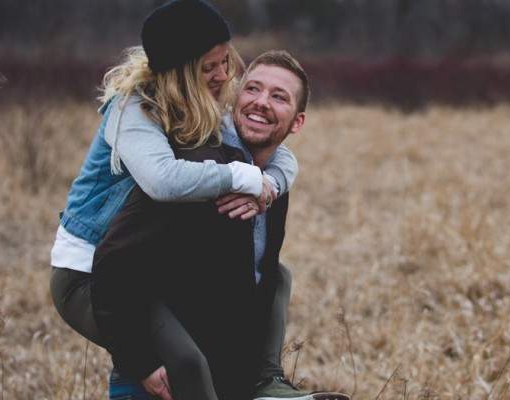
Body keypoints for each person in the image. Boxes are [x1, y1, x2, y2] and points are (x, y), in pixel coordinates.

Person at [47, 0, 301, 398]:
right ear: (181, 71)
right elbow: (162, 180)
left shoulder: (202, 100)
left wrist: (268, 187)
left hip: (140, 266)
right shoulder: (133, 108)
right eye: (209, 67)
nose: (223, 76)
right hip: (90, 270)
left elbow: (272, 149)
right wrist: (240, 175)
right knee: (185, 363)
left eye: (225, 62)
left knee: (274, 276)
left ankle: (266, 382)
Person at [92, 50, 350, 400]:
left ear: (297, 122)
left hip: (219, 375)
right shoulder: (196, 167)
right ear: (234, 98)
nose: (261, 102)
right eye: (253, 89)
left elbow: (245, 286)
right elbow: (114, 262)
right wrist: (139, 363)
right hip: (158, 380)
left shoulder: (270, 180)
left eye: (278, 96)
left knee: (276, 274)